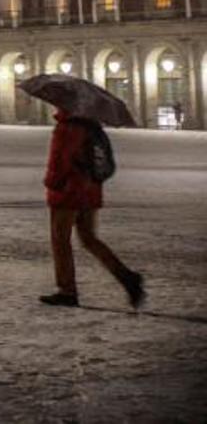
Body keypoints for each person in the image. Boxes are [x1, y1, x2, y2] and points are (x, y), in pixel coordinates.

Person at [40, 111, 145, 308]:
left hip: (68, 191)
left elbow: (60, 161)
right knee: (89, 238)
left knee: (60, 239)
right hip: (90, 189)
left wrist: (51, 183)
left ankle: (67, 290)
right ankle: (127, 277)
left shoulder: (66, 127)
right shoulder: (91, 126)